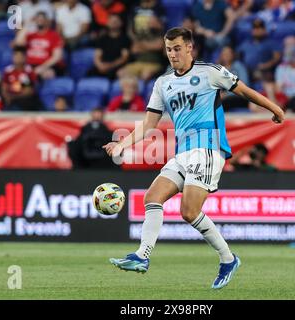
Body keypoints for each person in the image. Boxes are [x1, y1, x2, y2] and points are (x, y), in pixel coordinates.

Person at [103, 27, 284, 289]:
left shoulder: (209, 72)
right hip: (183, 152)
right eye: (168, 49)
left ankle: (228, 259)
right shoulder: (163, 83)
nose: (172, 54)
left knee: (189, 211)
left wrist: (275, 108)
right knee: (152, 197)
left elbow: (243, 90)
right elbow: (149, 124)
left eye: (177, 48)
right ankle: (142, 257)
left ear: (189, 47)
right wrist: (122, 144)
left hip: (208, 148)